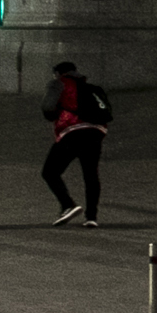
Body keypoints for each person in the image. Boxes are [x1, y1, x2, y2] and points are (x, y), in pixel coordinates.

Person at [42, 61, 111, 227]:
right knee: (90, 174)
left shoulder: (58, 83)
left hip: (72, 132)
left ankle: (68, 205)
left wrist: (56, 114)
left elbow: (48, 109)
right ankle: (91, 217)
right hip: (95, 133)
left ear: (58, 73)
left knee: (50, 172)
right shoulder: (91, 88)